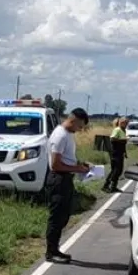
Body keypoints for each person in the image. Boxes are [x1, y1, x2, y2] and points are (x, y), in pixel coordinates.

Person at [45, 108, 90, 264]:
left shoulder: (68, 134)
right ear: (73, 120)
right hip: (58, 179)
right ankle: (51, 252)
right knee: (56, 218)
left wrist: (79, 165)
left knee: (63, 216)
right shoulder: (60, 135)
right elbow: (56, 164)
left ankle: (55, 249)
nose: (80, 129)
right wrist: (77, 169)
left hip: (65, 179)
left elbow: (67, 158)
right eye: (80, 126)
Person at [103, 117, 128, 192]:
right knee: (116, 170)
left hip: (120, 152)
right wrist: (122, 140)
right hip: (115, 152)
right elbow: (112, 139)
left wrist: (125, 152)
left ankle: (113, 186)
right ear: (121, 122)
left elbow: (123, 143)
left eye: (127, 123)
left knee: (118, 170)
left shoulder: (123, 130)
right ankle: (107, 186)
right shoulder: (117, 129)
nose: (127, 124)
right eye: (126, 123)